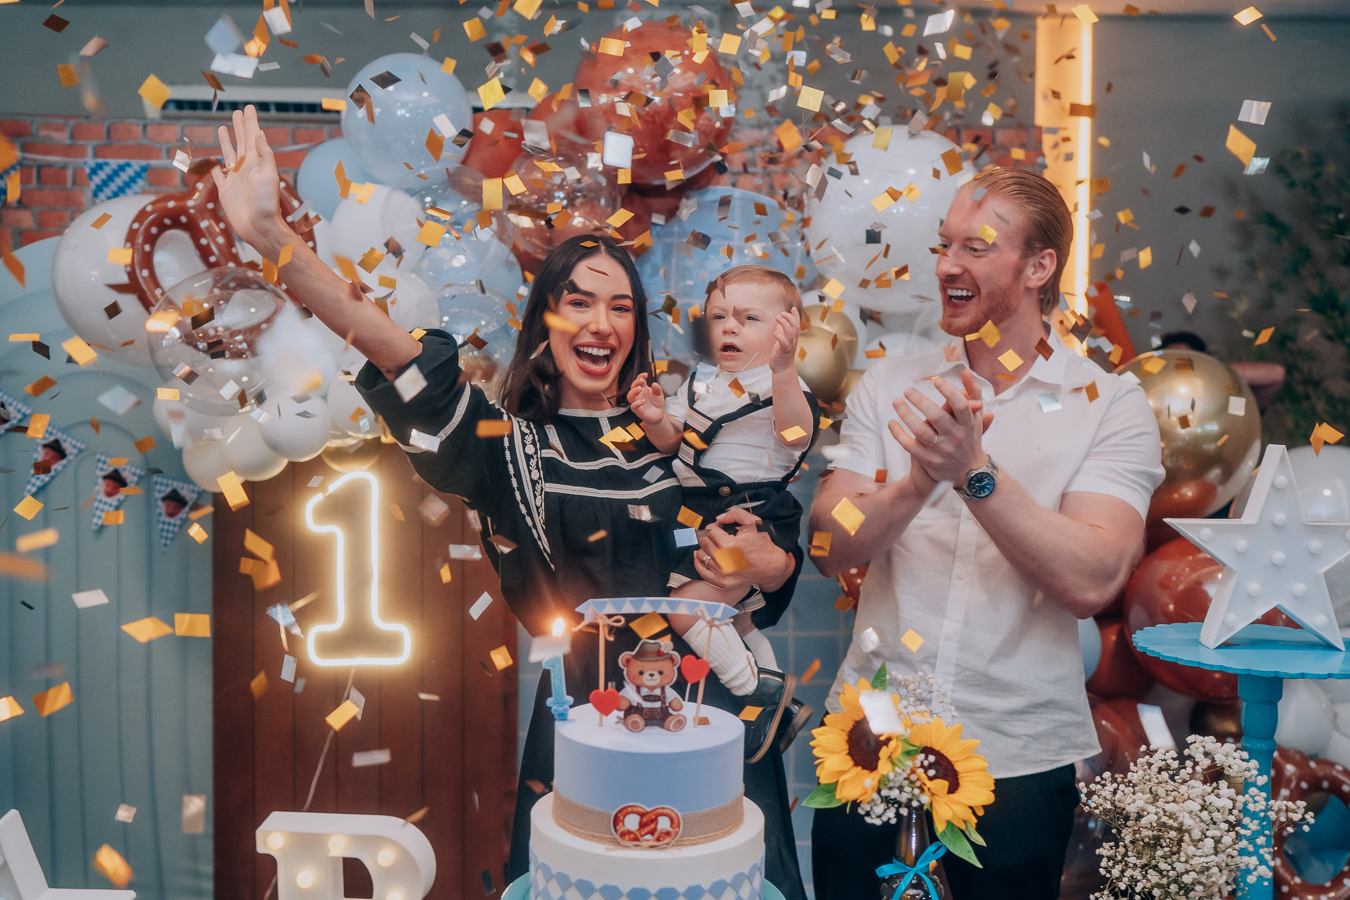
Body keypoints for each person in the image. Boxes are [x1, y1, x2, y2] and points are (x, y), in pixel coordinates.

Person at [210, 106, 808, 898]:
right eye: (579, 302)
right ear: (545, 321)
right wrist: (271, 238)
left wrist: (770, 563)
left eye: (620, 306)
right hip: (590, 727)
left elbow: (771, 541)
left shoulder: (682, 434)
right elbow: (400, 359)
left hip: (717, 725)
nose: (601, 323)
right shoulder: (511, 447)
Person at [807, 167, 1164, 900]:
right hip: (869, 736)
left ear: (1038, 267)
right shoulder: (890, 385)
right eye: (945, 245)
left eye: (976, 248)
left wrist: (974, 473)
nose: (947, 265)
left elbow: (1093, 577)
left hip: (1018, 753)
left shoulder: (1109, 405)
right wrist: (915, 482)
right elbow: (827, 545)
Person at [628, 265, 817, 758]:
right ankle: (782, 709)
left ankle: (755, 693)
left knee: (686, 606)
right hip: (698, 512)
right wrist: (656, 418)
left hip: (751, 511)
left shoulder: (780, 384)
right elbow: (674, 441)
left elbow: (796, 436)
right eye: (718, 317)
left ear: (785, 330)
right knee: (736, 623)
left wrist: (783, 368)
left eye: (749, 318)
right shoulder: (700, 382)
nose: (729, 326)